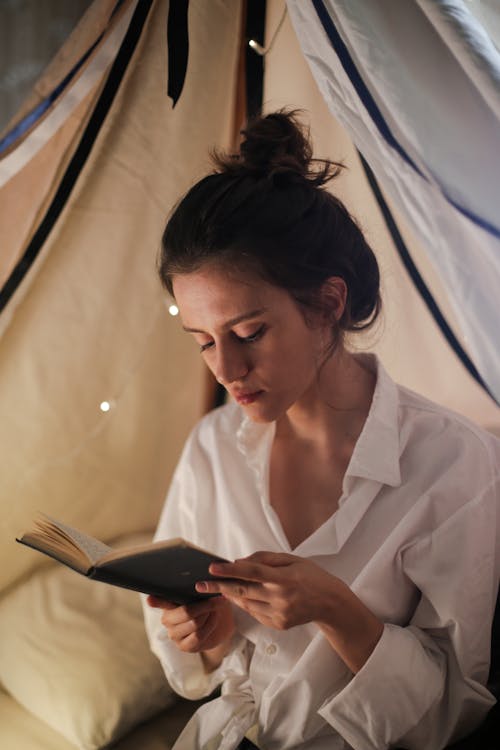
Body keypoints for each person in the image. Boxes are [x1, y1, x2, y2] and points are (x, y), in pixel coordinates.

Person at [142, 110, 499, 750]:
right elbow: (197, 668)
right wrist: (206, 634)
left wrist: (335, 608)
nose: (225, 368)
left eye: (248, 333)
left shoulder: (454, 462)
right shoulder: (213, 447)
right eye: (202, 342)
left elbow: (452, 711)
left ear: (328, 305)